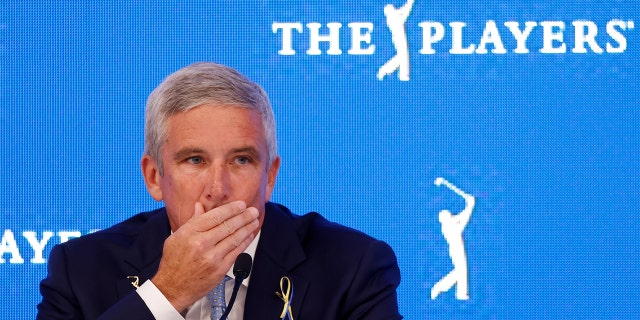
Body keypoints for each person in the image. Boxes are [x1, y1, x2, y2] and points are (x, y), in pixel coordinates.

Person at [37, 62, 402, 319]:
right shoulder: (82, 270)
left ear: (270, 176)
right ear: (153, 176)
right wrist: (168, 291)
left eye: (241, 160)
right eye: (195, 160)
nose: (218, 189)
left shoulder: (353, 267)